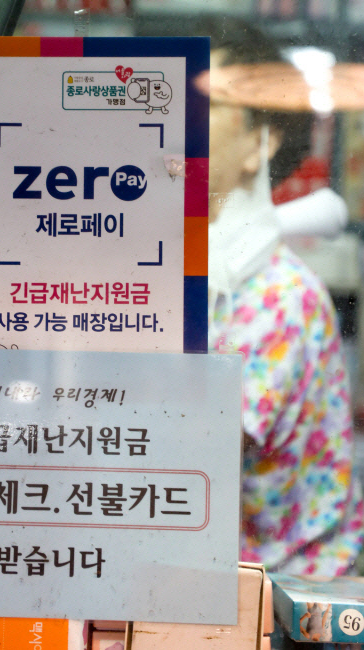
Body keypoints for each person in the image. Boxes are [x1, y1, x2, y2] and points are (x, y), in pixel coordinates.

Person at [192, 14, 364, 575]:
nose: (169, 121)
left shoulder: (279, 299)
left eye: (204, 103)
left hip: (280, 594)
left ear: (260, 141)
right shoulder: (197, 270)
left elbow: (184, 453)